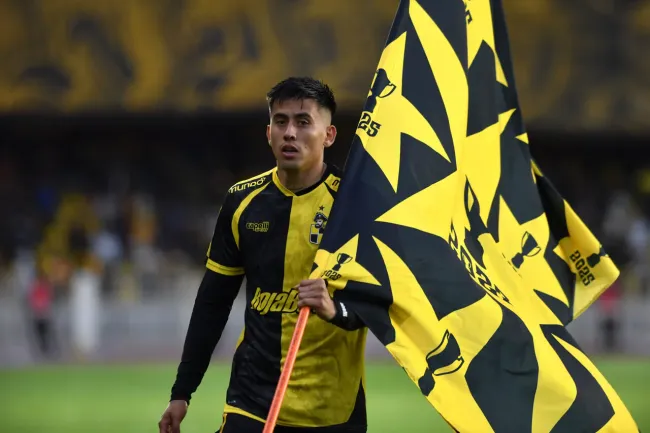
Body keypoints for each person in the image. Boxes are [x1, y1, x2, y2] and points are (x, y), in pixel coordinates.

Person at [158, 77, 367, 433]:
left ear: (328, 135)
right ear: (269, 133)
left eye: (303, 122)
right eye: (281, 121)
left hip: (331, 407)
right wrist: (182, 392)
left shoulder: (354, 207)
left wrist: (336, 310)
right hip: (252, 400)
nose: (290, 133)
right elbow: (213, 302)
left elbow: (385, 297)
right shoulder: (242, 202)